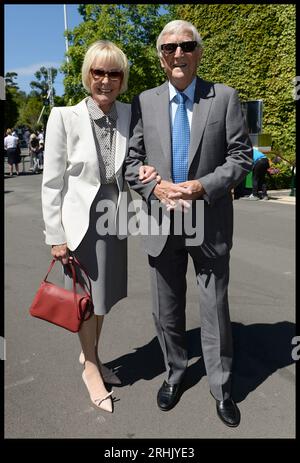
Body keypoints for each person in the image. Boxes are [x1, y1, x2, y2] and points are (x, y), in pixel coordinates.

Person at [125, 20, 253, 427]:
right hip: (160, 222)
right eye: (169, 48)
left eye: (186, 45)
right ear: (161, 57)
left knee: (215, 308)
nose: (178, 54)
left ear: (198, 51)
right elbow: (131, 163)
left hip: (208, 219)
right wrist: (156, 190)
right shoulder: (145, 101)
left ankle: (221, 387)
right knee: (166, 310)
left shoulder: (225, 97)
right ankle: (175, 374)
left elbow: (240, 159)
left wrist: (201, 186)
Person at [41, 40, 157, 413]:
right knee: (84, 301)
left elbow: (137, 159)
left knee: (102, 297)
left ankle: (89, 352)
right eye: (98, 72)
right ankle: (91, 366)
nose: (105, 80)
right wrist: (55, 235)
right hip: (79, 221)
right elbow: (52, 182)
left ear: (122, 79)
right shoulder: (63, 116)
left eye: (114, 73)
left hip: (115, 216)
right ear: (87, 74)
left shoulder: (129, 113)